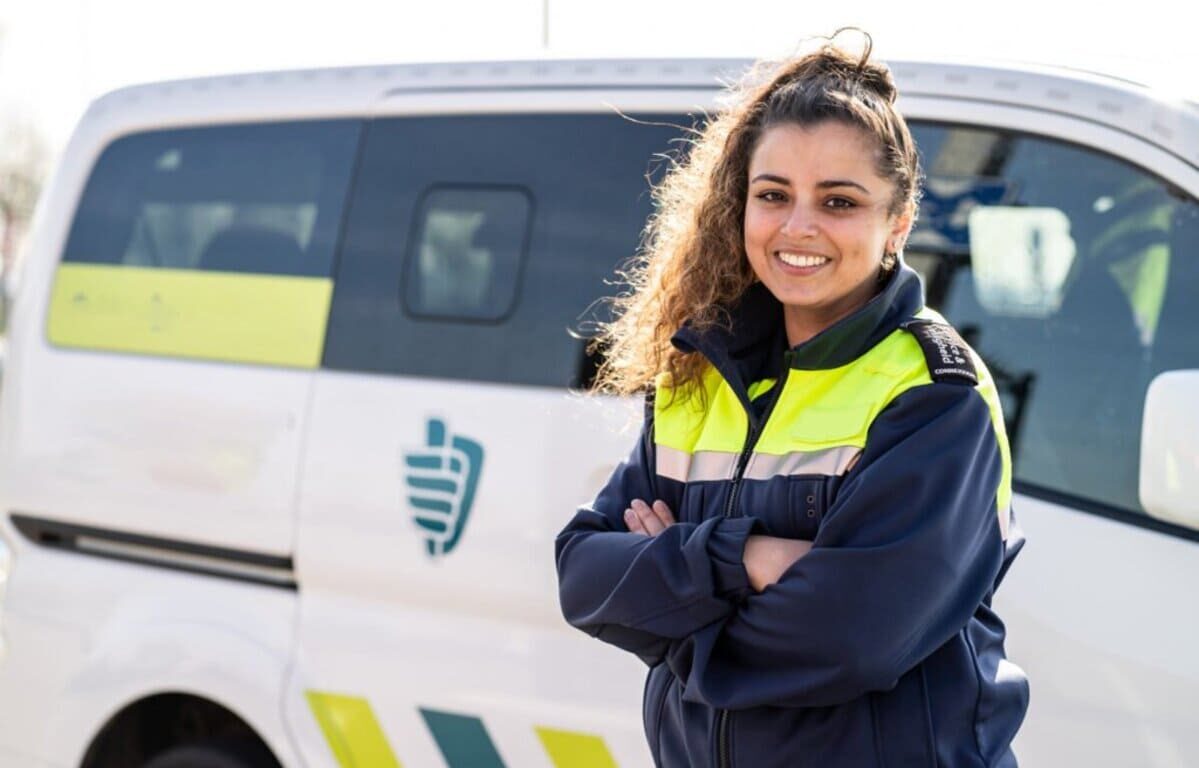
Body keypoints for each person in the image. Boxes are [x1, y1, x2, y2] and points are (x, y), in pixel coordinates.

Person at [554, 28, 1030, 768]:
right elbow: (582, 576)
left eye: (838, 201)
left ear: (895, 224)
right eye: (772, 195)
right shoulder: (700, 371)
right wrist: (744, 557)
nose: (797, 227)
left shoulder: (934, 397)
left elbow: (847, 639)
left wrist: (670, 608)